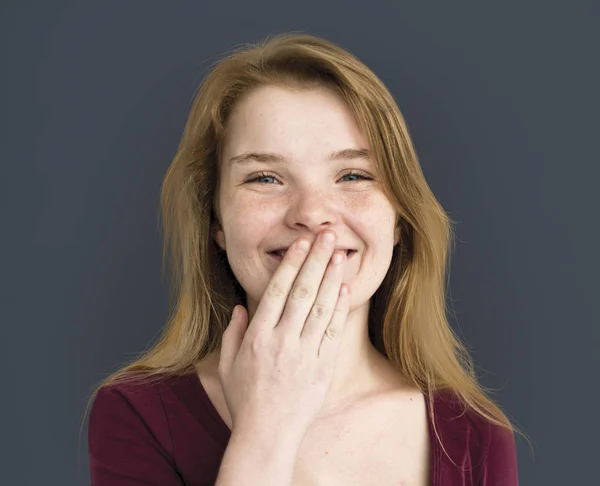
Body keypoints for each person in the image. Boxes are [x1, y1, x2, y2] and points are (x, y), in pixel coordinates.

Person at [83, 32, 522, 485]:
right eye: (265, 178)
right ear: (215, 219)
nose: (312, 213)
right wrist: (265, 430)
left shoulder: (475, 437)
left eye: (353, 175)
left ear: (398, 219)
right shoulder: (137, 415)